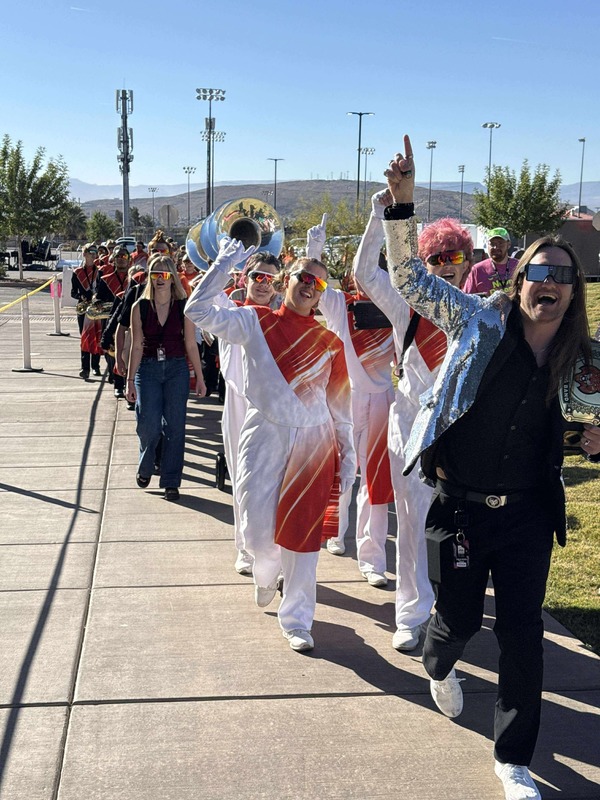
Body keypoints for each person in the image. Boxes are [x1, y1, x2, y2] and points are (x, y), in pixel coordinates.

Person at [382, 135, 600, 800]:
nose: (551, 285)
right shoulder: (475, 320)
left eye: (563, 276)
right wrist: (403, 208)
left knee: (523, 634)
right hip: (462, 507)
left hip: (530, 511)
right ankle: (438, 665)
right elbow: (410, 280)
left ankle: (514, 759)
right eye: (540, 273)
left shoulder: (583, 358)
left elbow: (592, 425)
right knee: (454, 624)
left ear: (574, 290)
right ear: (519, 279)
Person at [185, 239, 355, 652]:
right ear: (286, 281)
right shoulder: (254, 320)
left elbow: (339, 405)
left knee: (303, 532)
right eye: (304, 277)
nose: (311, 286)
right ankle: (265, 571)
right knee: (258, 529)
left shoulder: (329, 342)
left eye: (319, 282)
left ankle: (297, 617)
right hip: (264, 433)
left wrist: (347, 452)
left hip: (313, 441)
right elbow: (197, 311)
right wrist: (224, 264)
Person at [354, 191, 473, 650]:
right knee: (410, 524)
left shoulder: (484, 312)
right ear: (423, 263)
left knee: (462, 532)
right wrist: (378, 215)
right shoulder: (407, 307)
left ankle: (455, 614)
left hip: (463, 440)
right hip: (411, 433)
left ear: (466, 263)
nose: (446, 264)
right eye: (436, 257)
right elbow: (366, 274)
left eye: (454, 256)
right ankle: (412, 612)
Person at [307, 215, 395, 588]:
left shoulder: (395, 307)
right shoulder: (340, 304)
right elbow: (314, 285)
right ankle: (334, 532)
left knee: (375, 482)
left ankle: (372, 557)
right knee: (341, 474)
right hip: (342, 399)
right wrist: (314, 250)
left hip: (381, 401)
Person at [210, 251, 283, 575]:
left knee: (275, 482)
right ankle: (244, 548)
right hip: (238, 403)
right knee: (241, 480)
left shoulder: (283, 315)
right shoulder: (229, 310)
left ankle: (274, 553)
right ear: (245, 279)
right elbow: (203, 294)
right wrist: (226, 262)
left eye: (270, 278)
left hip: (273, 406)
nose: (263, 284)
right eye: (257, 276)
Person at [127, 254, 205, 501]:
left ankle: (171, 481)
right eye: (154, 274)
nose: (159, 279)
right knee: (148, 424)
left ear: (173, 277)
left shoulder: (184, 306)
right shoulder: (139, 307)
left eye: (164, 274)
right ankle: (146, 462)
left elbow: (191, 344)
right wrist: (129, 380)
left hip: (176, 369)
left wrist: (200, 378)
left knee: (175, 427)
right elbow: (136, 345)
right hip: (147, 370)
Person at [71, 243, 101, 379]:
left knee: (96, 336)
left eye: (95, 252)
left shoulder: (100, 271)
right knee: (84, 338)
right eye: (91, 252)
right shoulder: (77, 272)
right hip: (83, 307)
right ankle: (85, 368)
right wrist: (80, 296)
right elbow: (73, 292)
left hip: (96, 307)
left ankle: (96, 366)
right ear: (84, 254)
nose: (94, 255)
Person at [463, 226, 518, 295]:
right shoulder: (477, 270)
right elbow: (467, 299)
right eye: (492, 244)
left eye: (500, 243)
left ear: (508, 244)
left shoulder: (518, 266)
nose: (496, 247)